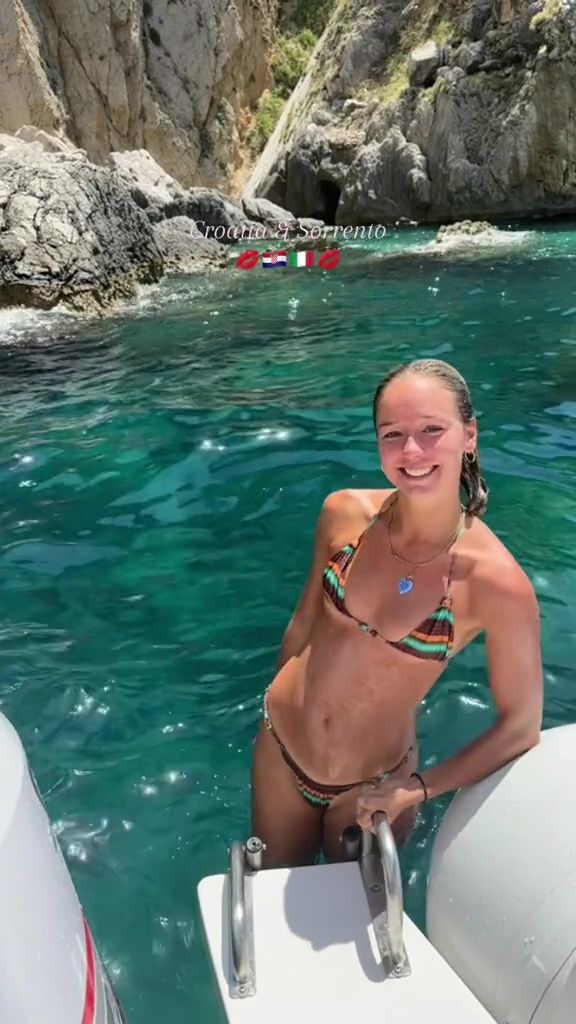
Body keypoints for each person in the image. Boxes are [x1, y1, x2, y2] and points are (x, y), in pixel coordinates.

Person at [251, 358, 543, 867]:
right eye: (393, 434)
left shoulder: (495, 583)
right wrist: (271, 713)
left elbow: (521, 726)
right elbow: (301, 628)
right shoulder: (344, 514)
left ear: (469, 435)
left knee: (355, 914)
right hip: (281, 751)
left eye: (432, 430)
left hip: (374, 789)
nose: (411, 451)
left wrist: (418, 789)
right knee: (265, 895)